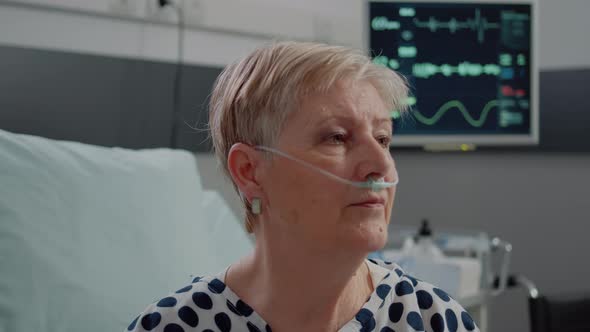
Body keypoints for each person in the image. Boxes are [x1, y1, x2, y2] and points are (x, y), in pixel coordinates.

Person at [126, 41, 479, 332]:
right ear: (250, 171)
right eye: (337, 137)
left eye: (383, 138)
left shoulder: (436, 321)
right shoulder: (171, 326)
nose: (381, 164)